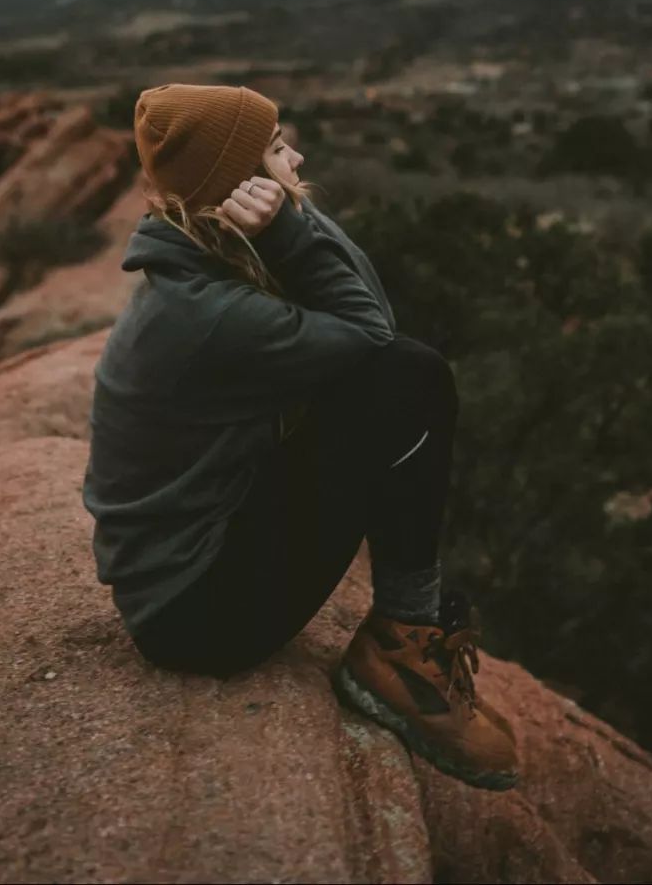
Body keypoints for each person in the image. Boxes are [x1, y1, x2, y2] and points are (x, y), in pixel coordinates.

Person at [82, 81, 519, 790]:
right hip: (199, 613)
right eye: (279, 150)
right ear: (241, 188)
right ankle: (402, 647)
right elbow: (380, 341)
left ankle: (406, 634)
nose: (299, 156)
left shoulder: (197, 264)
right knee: (411, 376)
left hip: (185, 581)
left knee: (392, 375)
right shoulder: (209, 313)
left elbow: (369, 319)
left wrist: (290, 222)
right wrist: (290, 227)